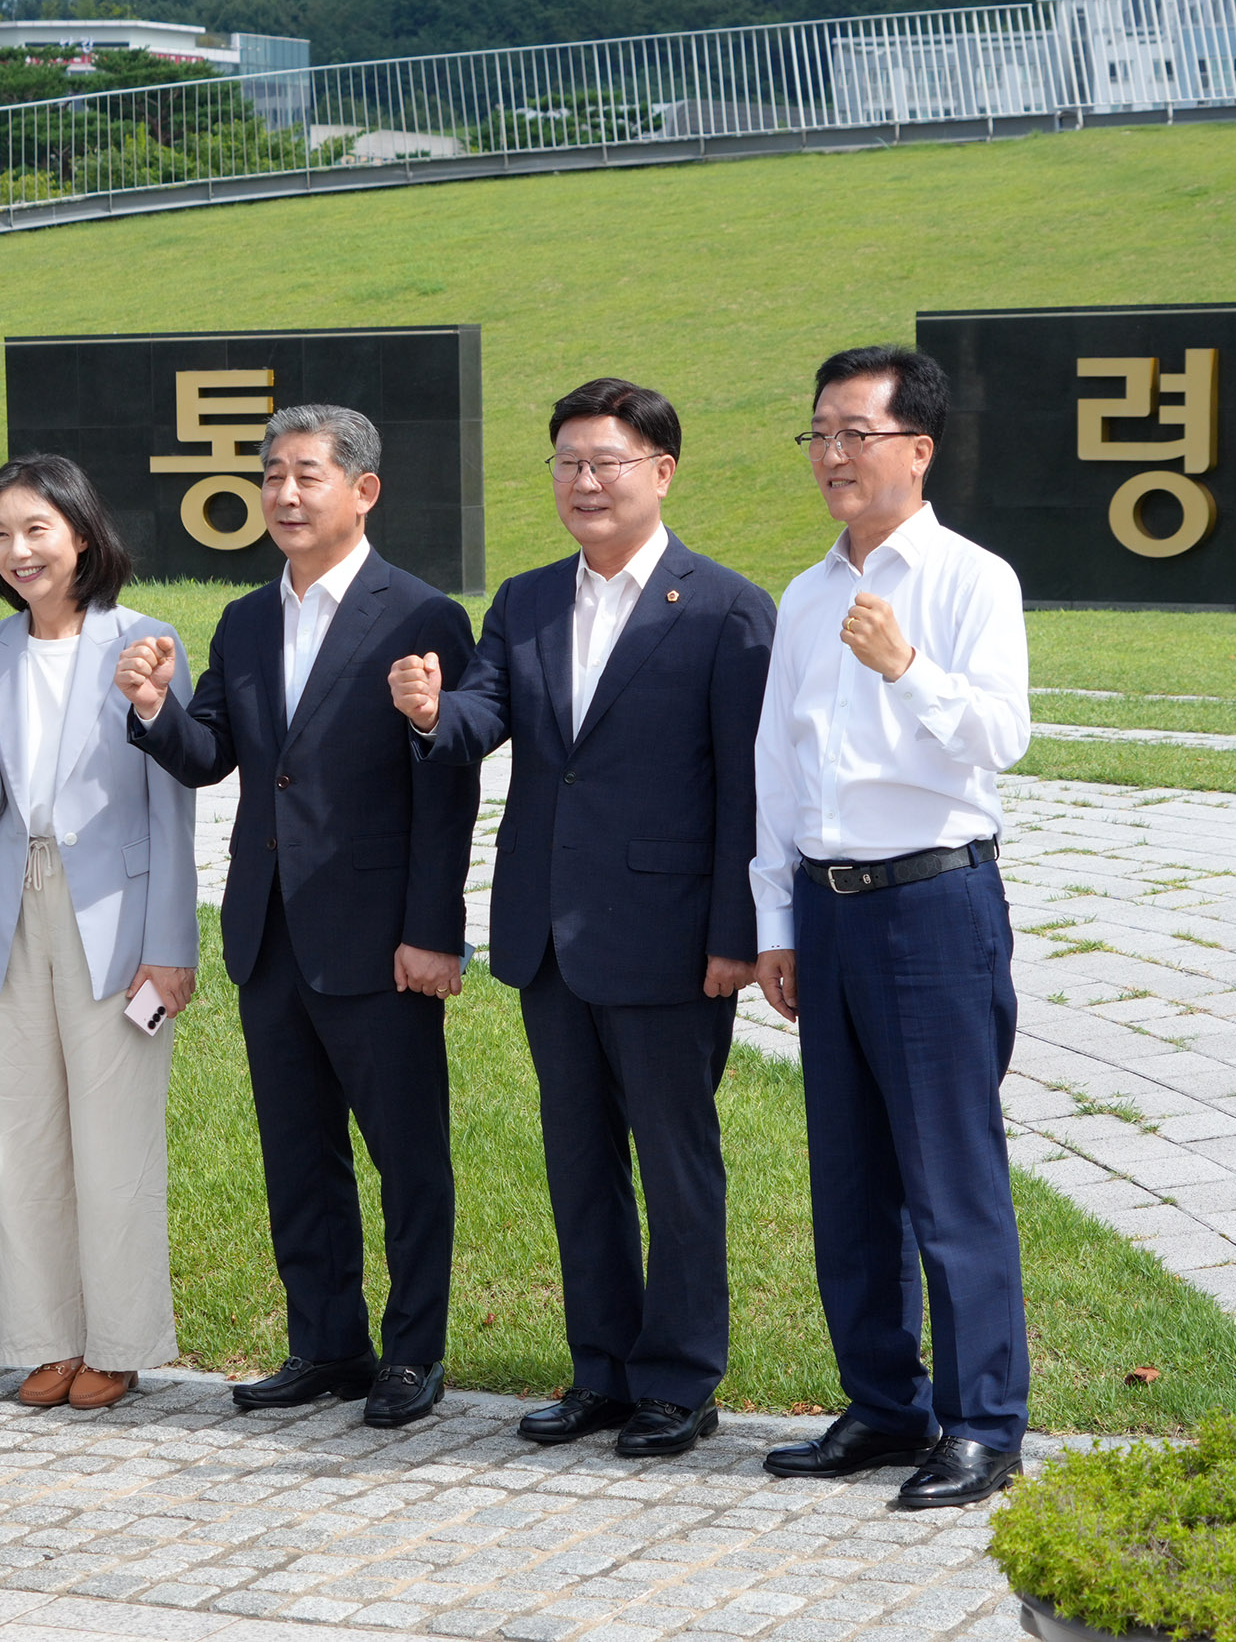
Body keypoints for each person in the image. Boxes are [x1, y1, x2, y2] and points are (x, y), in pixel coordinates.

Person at [391, 378, 773, 1459]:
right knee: (578, 1163)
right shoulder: (523, 601)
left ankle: (680, 1381)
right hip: (549, 936)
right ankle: (599, 1371)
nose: (582, 481)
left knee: (676, 1164)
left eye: (605, 461)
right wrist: (431, 710)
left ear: (660, 471)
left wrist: (734, 937)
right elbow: (481, 713)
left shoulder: (724, 608)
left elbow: (748, 788)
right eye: (565, 462)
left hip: (669, 940)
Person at [119, 404, 480, 1430]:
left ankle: (412, 1353)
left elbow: (441, 790)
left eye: (304, 475)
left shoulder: (420, 617)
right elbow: (215, 756)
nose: (281, 493)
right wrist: (153, 711)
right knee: (297, 1153)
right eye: (270, 474)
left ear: (360, 490)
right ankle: (324, 1341)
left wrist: (432, 931)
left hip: (378, 939)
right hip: (269, 931)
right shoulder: (241, 620)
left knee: (406, 1155)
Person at [751, 345, 1033, 1509]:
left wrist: (905, 666)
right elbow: (780, 766)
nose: (830, 456)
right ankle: (880, 1404)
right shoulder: (805, 594)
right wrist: (774, 915)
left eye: (852, 435)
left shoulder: (971, 580)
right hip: (826, 910)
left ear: (915, 448)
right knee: (848, 1176)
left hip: (930, 902)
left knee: (947, 1174)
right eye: (818, 433)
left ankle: (980, 1423)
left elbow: (999, 738)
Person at [0, 456, 198, 1412]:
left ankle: (119, 1343)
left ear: (81, 534)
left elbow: (173, 805)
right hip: (15, 904)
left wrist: (174, 947)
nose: (17, 551)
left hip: (115, 916)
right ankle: (45, 1339)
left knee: (114, 1133)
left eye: (35, 529)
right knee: (21, 1133)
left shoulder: (148, 639)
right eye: (0, 534)